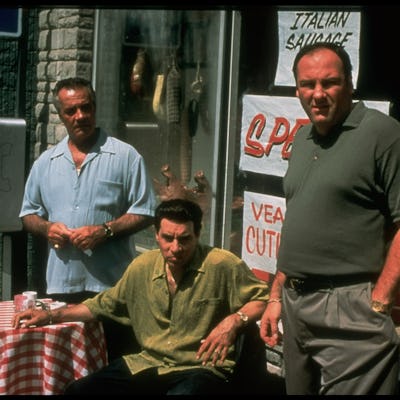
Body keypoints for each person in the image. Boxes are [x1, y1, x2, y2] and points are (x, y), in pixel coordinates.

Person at [13, 198, 269, 395]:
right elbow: (101, 306)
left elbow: (263, 298)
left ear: (198, 234)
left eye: (185, 239)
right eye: (168, 238)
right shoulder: (143, 266)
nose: (176, 248)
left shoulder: (221, 264)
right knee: (79, 391)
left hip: (200, 367)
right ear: (156, 235)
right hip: (148, 363)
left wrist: (233, 321)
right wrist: (49, 315)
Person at [259, 41, 400, 395]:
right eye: (308, 85)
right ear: (297, 90)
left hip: (349, 306)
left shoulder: (382, 133)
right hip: (295, 303)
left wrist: (380, 300)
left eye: (329, 82)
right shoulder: (304, 137)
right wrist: (276, 295)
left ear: (350, 84)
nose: (317, 94)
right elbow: (300, 219)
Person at [19, 77, 156, 360]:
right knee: (69, 368)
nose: (80, 116)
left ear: (94, 107)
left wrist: (105, 230)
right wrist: (47, 228)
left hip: (113, 288)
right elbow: (28, 214)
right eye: (71, 111)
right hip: (62, 288)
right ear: (61, 115)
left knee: (117, 366)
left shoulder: (125, 157)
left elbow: (146, 211)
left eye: (86, 107)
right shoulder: (47, 162)